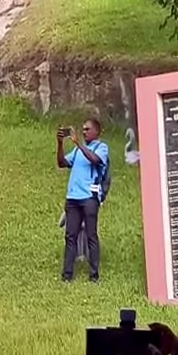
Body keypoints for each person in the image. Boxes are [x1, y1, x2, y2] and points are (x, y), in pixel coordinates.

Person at [57, 117, 109, 282]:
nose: (84, 132)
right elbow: (62, 163)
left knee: (91, 235)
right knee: (70, 236)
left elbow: (95, 160)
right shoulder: (79, 151)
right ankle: (67, 274)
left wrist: (79, 144)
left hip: (89, 198)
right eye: (83, 129)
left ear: (96, 131)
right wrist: (60, 144)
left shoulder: (102, 147)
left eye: (87, 129)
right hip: (73, 198)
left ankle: (94, 274)